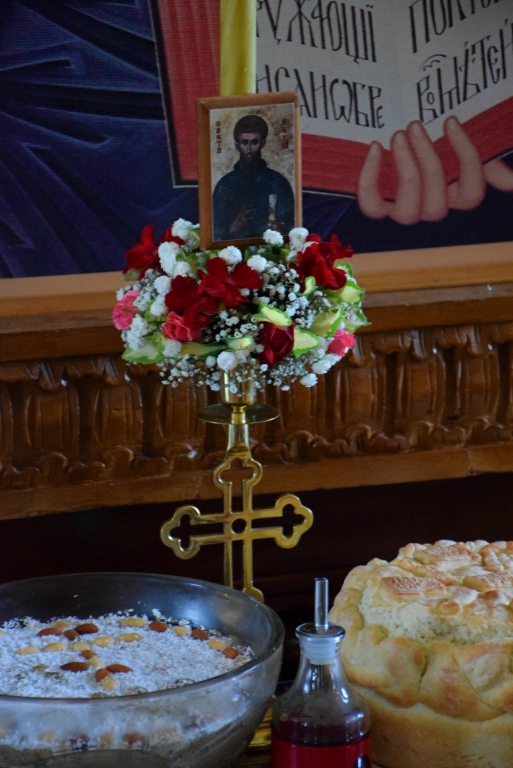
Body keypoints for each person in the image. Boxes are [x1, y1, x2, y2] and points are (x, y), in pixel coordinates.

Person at [212, 114, 295, 240]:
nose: (249, 150)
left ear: (262, 143)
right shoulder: (225, 185)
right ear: (237, 145)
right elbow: (214, 231)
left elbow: (292, 224)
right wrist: (233, 226)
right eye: (244, 143)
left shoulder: (277, 182)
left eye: (254, 142)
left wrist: (280, 228)